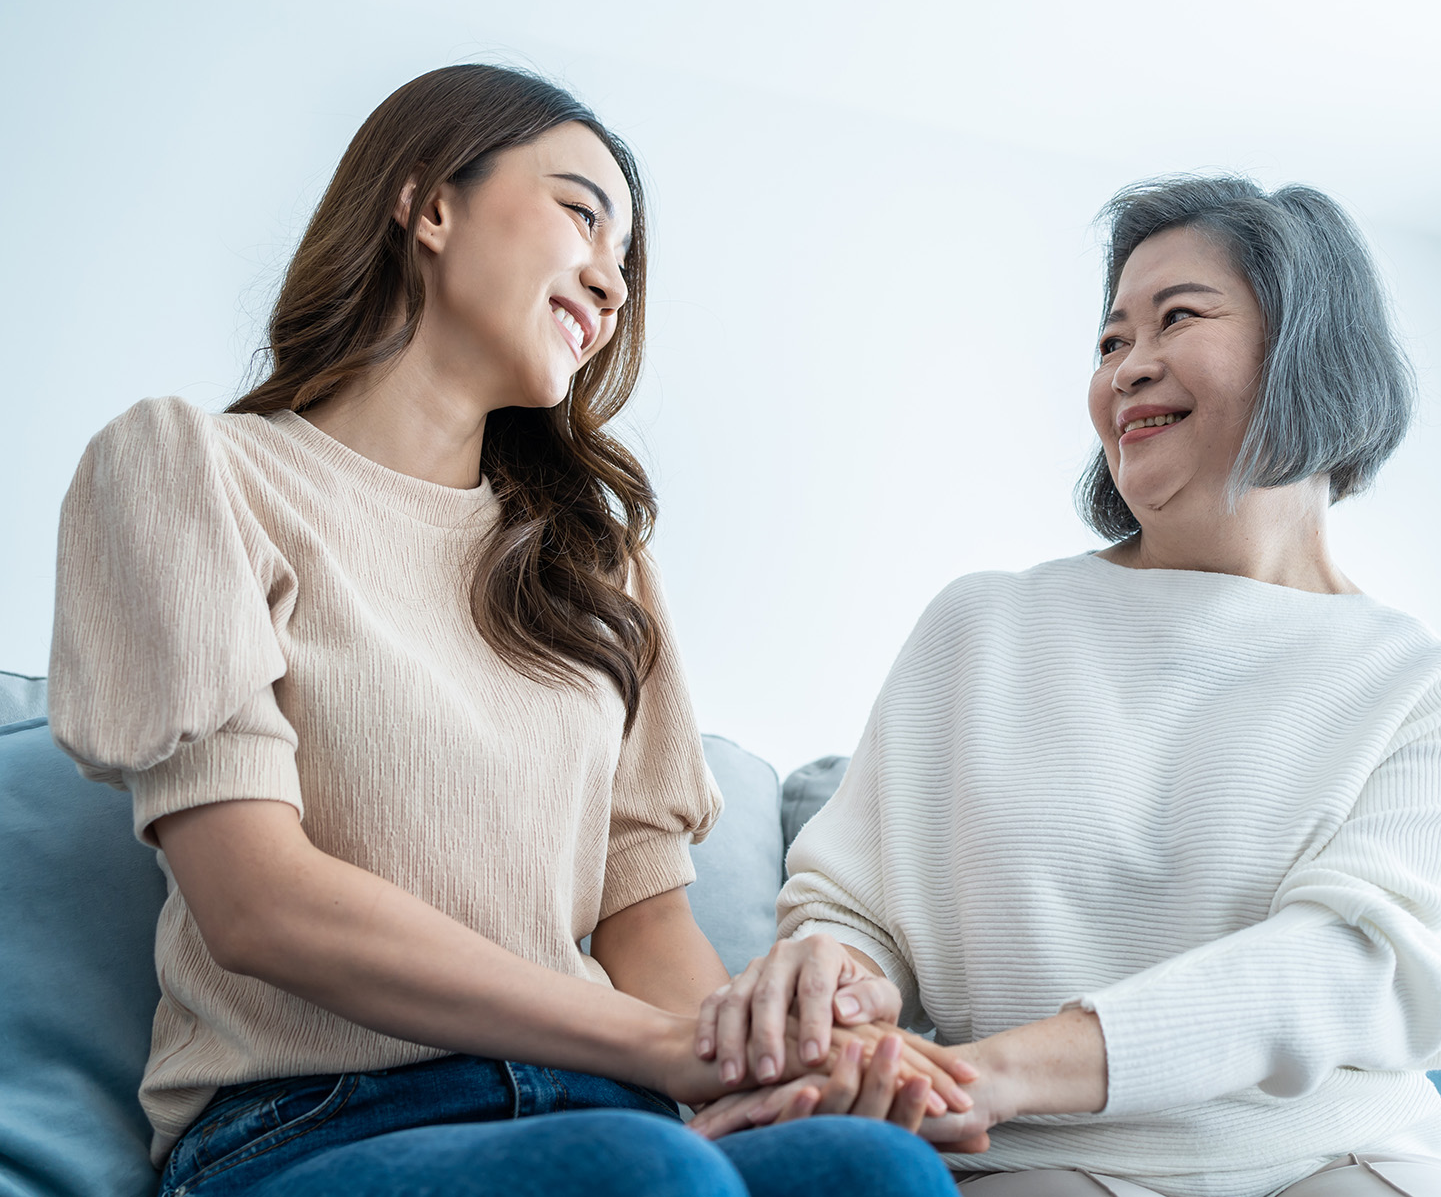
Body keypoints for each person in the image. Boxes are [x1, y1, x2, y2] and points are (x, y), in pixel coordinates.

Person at [48, 64, 967, 1197]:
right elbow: (256, 902)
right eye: (584, 213)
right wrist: (648, 1047)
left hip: (611, 1106)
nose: (613, 283)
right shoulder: (189, 468)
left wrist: (792, 1058)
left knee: (869, 1164)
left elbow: (650, 939)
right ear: (428, 203)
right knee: (637, 1171)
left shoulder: (597, 563)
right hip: (310, 1122)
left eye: (626, 260)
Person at [690, 176, 1441, 1197]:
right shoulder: (980, 627)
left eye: (1177, 317)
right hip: (1043, 1156)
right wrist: (835, 980)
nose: (1128, 366)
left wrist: (995, 1069)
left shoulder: (1436, 688)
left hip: (1341, 1153)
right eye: (1109, 340)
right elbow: (853, 910)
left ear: (1309, 347)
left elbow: (1343, 968)